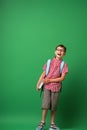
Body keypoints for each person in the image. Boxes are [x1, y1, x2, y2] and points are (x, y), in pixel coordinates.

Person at [36, 44, 68, 130]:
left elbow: (62, 78)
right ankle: (42, 122)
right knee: (45, 105)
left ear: (64, 53)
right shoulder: (49, 62)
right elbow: (44, 73)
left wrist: (50, 80)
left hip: (56, 88)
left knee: (53, 106)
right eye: (58, 49)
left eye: (62, 50)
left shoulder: (64, 65)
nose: (59, 51)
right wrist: (38, 83)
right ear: (55, 51)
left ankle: (52, 124)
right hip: (46, 87)